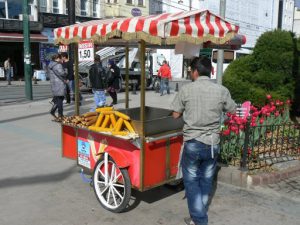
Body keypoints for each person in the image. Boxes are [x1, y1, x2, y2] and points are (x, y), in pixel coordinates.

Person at [171, 56, 236, 225]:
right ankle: (196, 217)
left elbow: (175, 114)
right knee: (206, 180)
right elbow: (233, 110)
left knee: (191, 182)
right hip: (213, 144)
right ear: (211, 71)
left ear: (195, 72)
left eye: (191, 71)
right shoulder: (221, 90)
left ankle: (200, 220)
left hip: (193, 142)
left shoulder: (186, 90)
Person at [48, 54, 67, 121]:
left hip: (54, 84)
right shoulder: (58, 65)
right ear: (57, 58)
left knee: (58, 99)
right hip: (59, 84)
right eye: (60, 58)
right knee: (60, 100)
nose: (61, 59)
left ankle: (53, 111)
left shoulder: (51, 65)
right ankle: (60, 115)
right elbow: (62, 73)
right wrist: (66, 71)